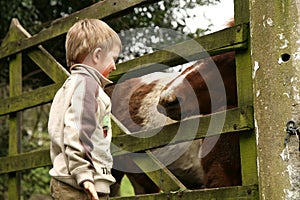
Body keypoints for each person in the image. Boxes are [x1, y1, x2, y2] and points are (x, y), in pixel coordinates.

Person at [48, 18, 121, 200]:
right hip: (81, 186)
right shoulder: (88, 86)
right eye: (113, 58)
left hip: (69, 181)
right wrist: (84, 175)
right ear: (97, 56)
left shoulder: (69, 87)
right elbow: (78, 130)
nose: (115, 65)